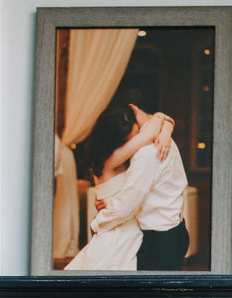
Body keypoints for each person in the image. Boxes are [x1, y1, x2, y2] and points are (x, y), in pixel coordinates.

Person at [65, 104, 189, 271]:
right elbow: (149, 133)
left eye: (136, 132)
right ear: (116, 140)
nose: (137, 137)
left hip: (143, 235)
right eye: (131, 137)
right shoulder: (116, 158)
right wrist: (164, 124)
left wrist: (166, 127)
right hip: (126, 235)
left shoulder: (124, 155)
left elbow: (149, 132)